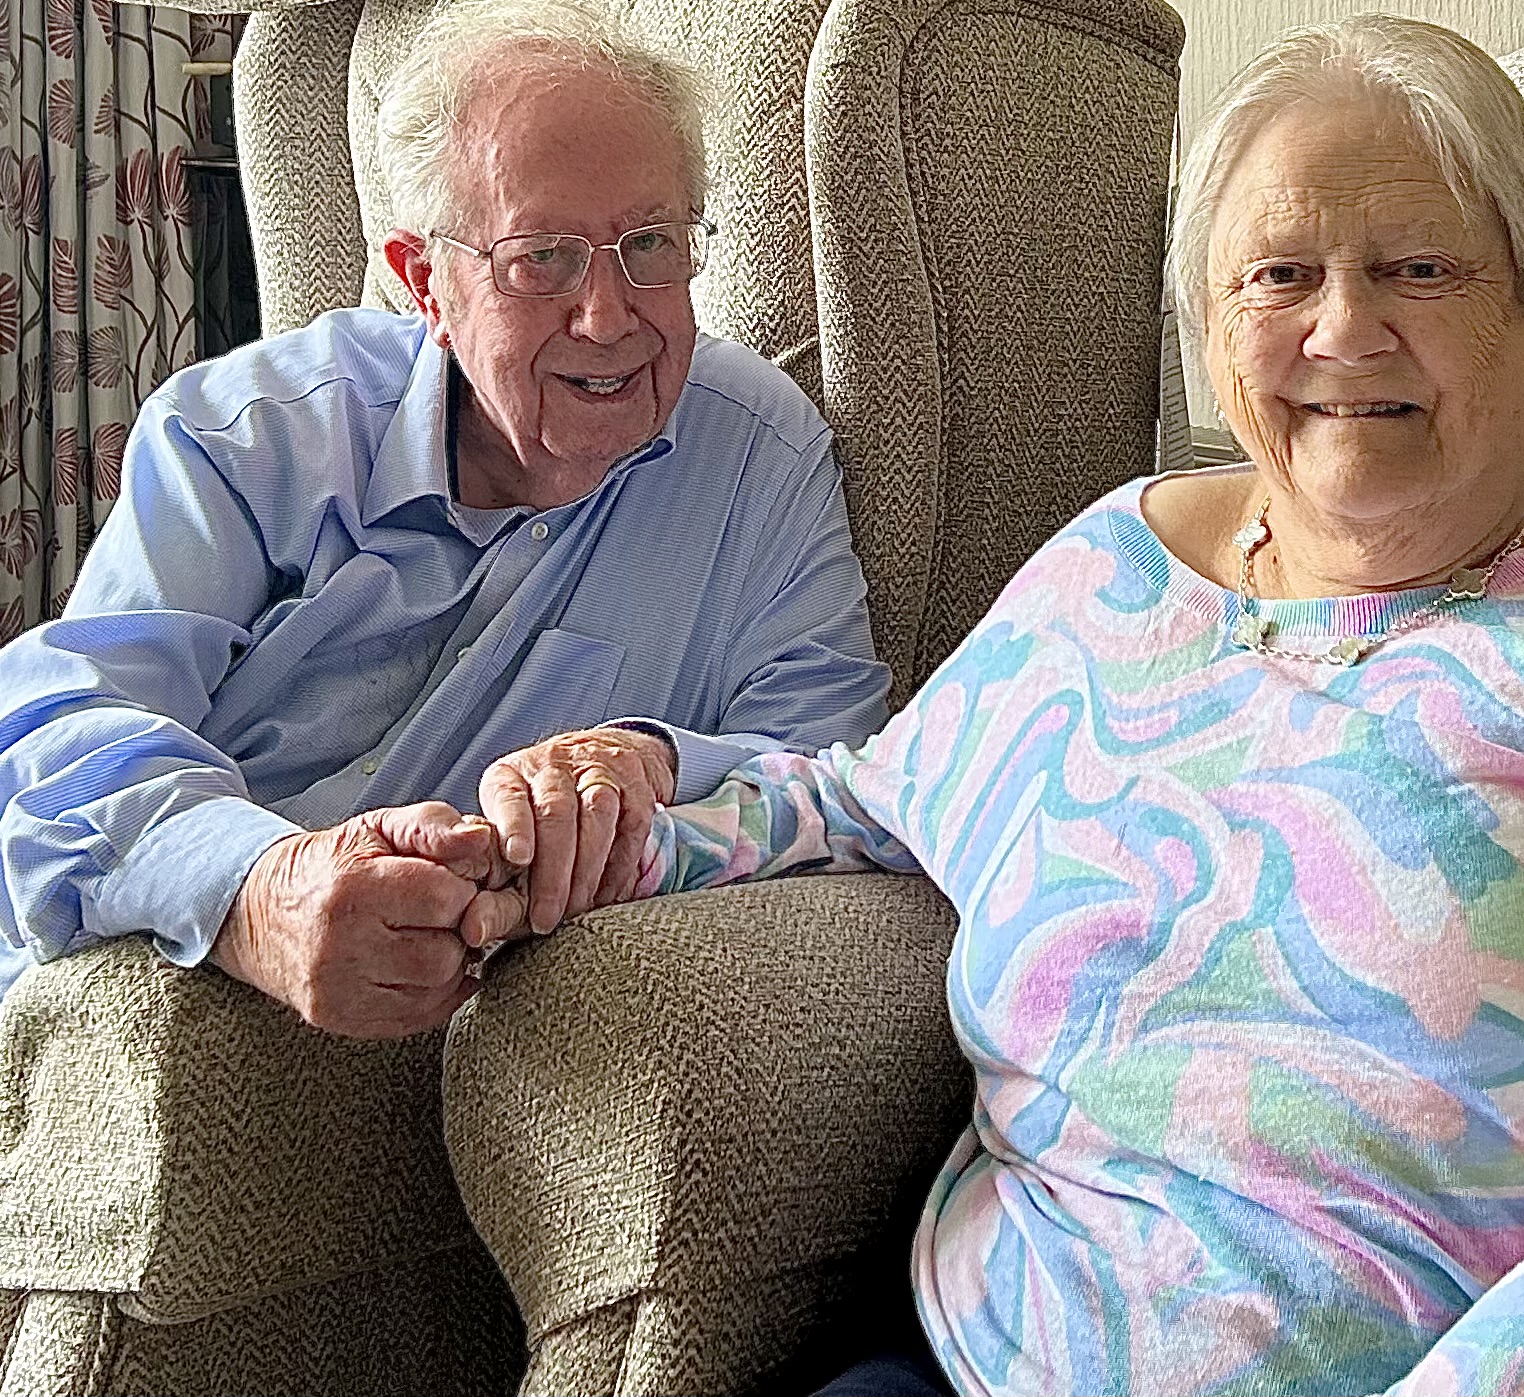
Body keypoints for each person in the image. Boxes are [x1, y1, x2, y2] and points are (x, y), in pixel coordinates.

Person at [498, 15, 1524, 1395]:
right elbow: (864, 804)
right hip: (982, 1361)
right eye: (1276, 277)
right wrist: (593, 825)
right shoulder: (1112, 569)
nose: (1342, 331)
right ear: (1210, 330)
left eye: (1418, 270)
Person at [0, 0, 889, 1037]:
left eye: (650, 243)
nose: (608, 316)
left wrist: (654, 759)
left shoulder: (759, 455)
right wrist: (257, 891)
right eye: (542, 258)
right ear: (427, 283)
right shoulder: (250, 435)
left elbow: (848, 778)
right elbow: (52, 737)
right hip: (119, 1010)